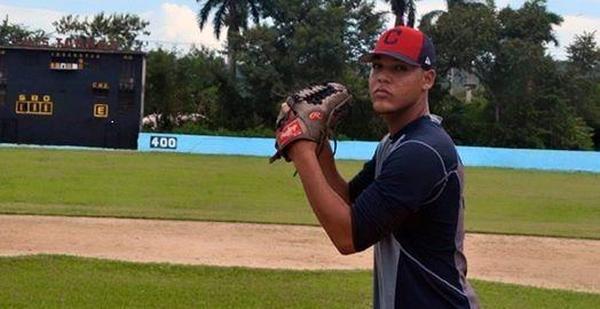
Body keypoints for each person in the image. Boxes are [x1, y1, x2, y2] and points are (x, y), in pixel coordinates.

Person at [284, 26, 480, 308]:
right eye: (377, 67)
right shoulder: (395, 142)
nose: (383, 77)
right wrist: (318, 143)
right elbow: (349, 200)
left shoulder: (421, 151)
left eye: (399, 68)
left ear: (428, 79)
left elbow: (347, 237)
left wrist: (300, 149)